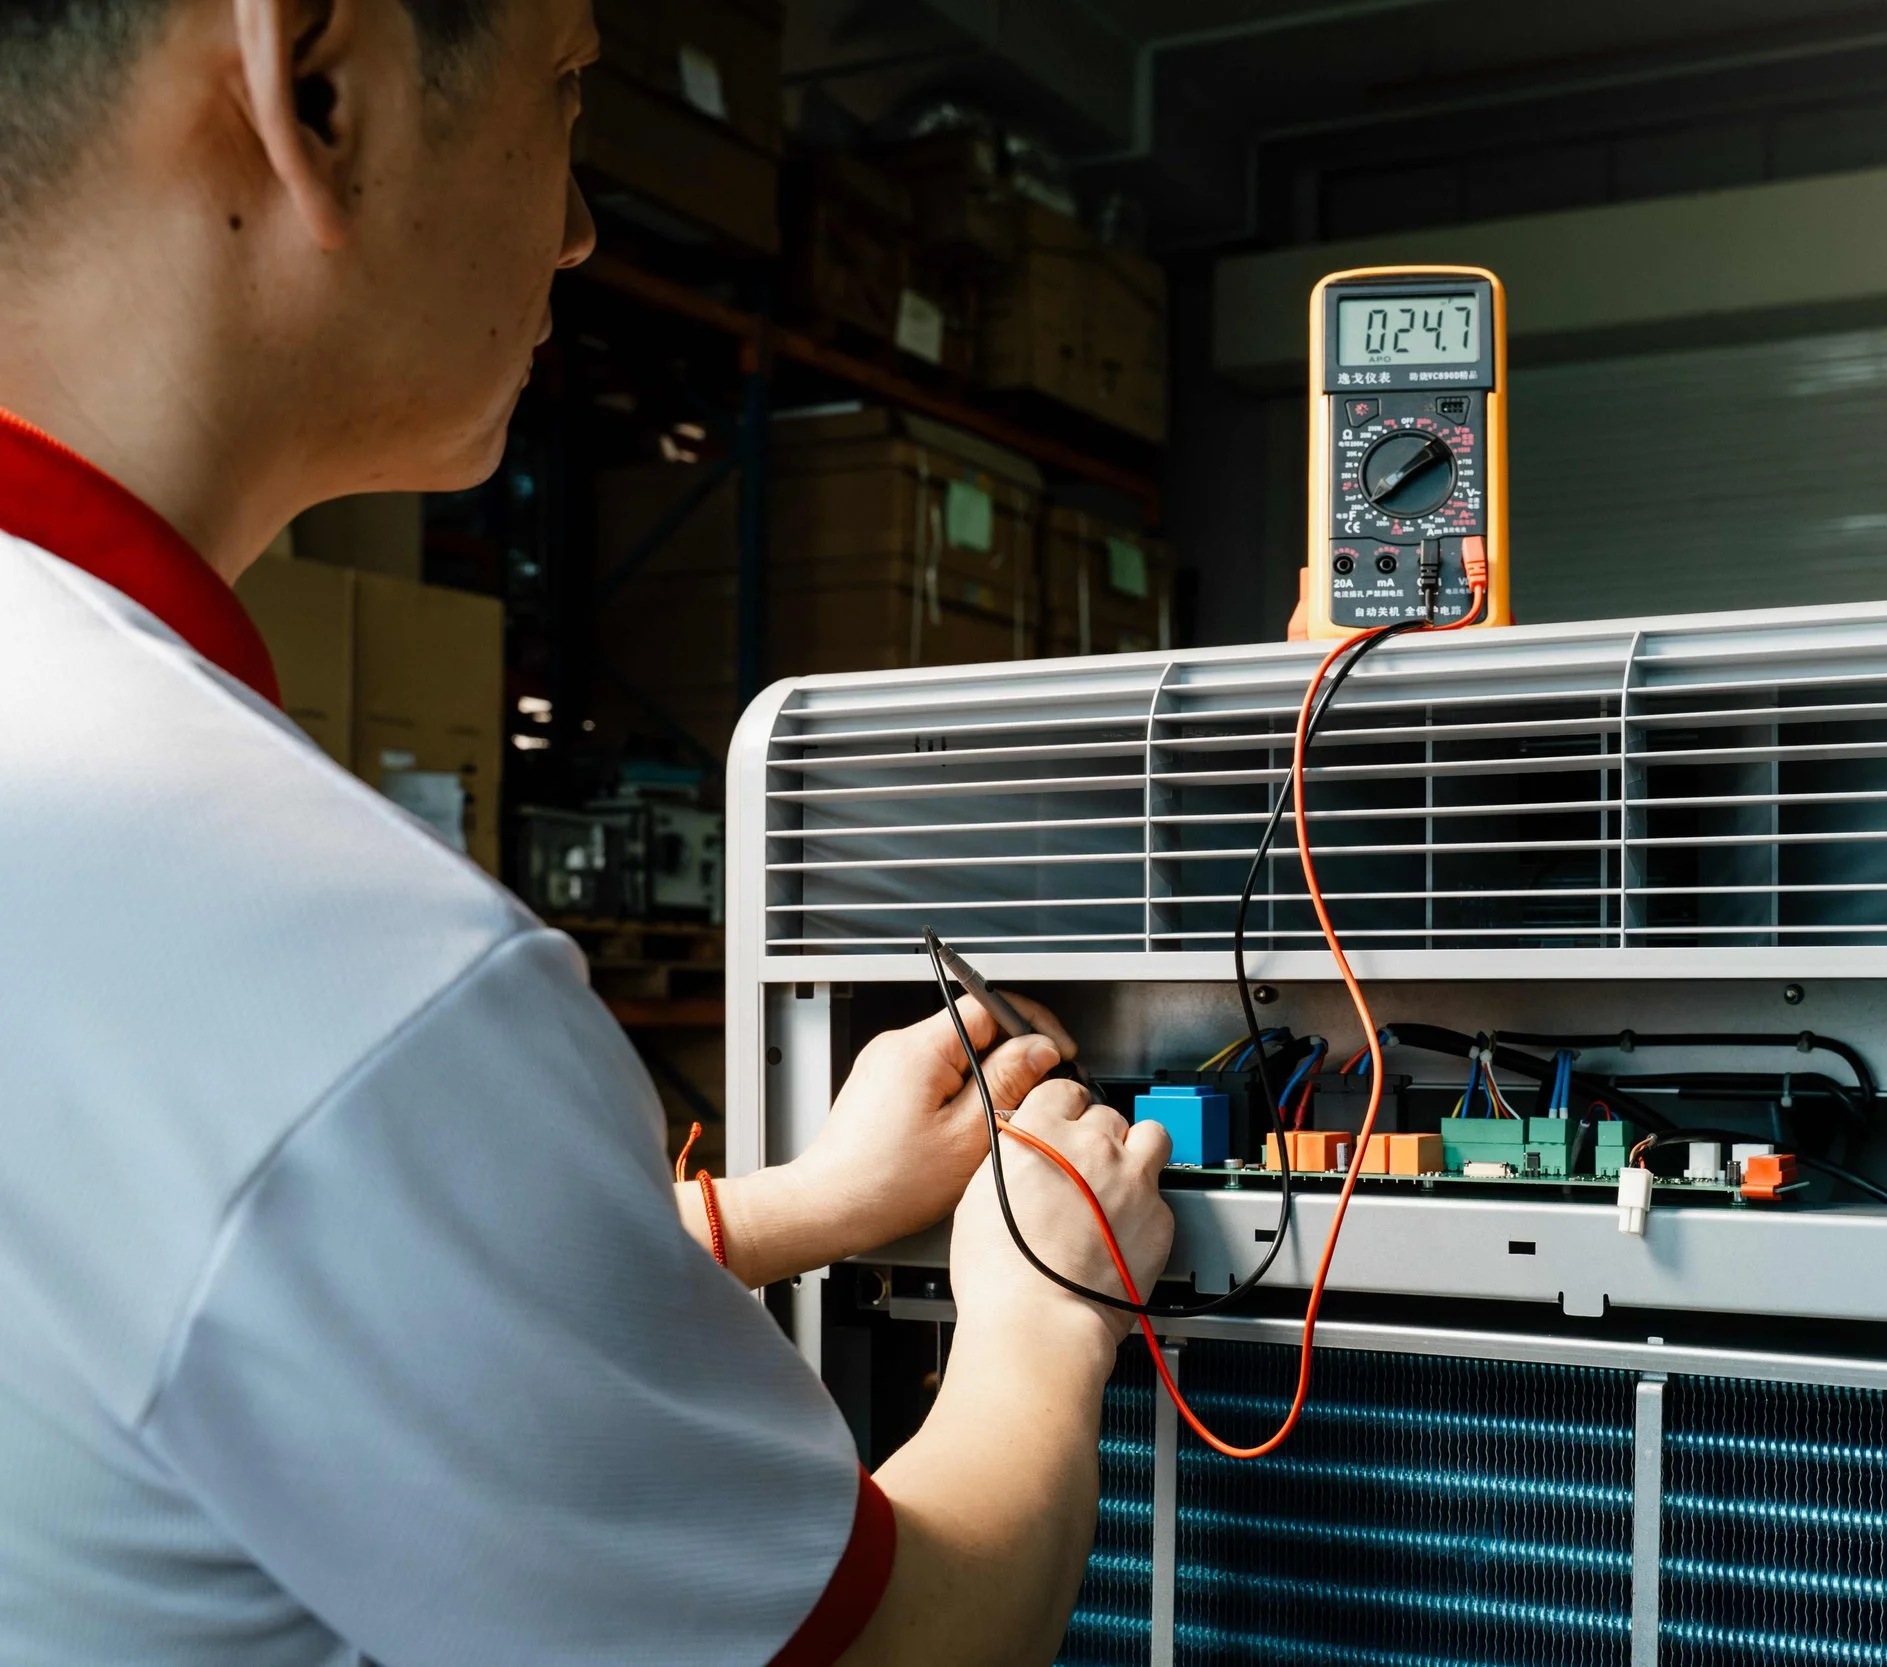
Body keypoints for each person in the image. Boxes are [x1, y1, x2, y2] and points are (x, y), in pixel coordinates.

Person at [0, 0, 1175, 1661]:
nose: (578, 226)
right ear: (313, 86)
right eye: (565, 90)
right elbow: (907, 1641)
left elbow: (211, 1307)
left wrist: (800, 1206)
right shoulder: (339, 977)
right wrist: (1041, 1312)